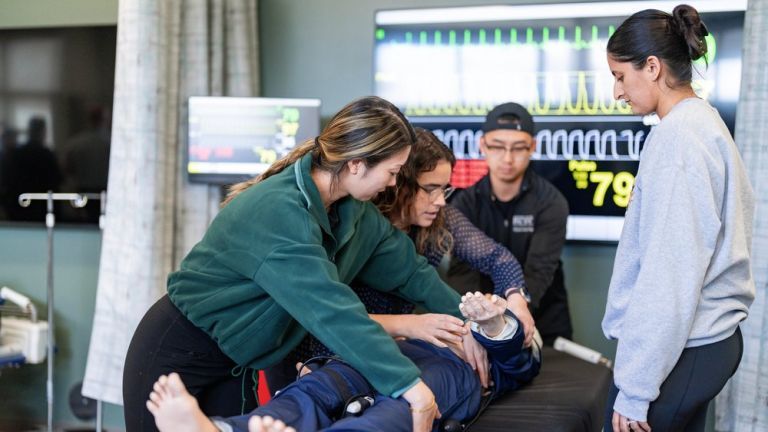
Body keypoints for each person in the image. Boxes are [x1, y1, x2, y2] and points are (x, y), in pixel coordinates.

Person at [123, 96, 487, 432]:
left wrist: (471, 322)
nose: (394, 184)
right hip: (177, 350)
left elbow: (411, 273)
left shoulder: (354, 213)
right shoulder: (278, 212)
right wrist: (409, 384)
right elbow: (331, 310)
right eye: (392, 172)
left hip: (235, 362)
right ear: (357, 164)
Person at [263, 127, 537, 393]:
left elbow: (498, 259)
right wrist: (407, 327)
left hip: (381, 346)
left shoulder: (440, 219)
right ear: (398, 182)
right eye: (430, 189)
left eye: (445, 189)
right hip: (319, 349)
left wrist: (516, 300)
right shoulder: (356, 225)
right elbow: (323, 312)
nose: (440, 201)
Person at [601, 5, 754, 432]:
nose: (617, 91)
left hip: (685, 347)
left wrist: (634, 390)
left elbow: (670, 274)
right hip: (706, 343)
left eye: (619, 76)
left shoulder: (679, 141)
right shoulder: (703, 123)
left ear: (652, 67)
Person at [146, 292, 541, 432]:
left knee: (394, 413)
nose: (482, 308)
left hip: (448, 376)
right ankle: (224, 430)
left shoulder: (493, 349)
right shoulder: (438, 318)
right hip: (387, 355)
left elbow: (521, 364)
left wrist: (495, 325)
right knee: (318, 388)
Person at [446, 102, 572, 345]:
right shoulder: (464, 204)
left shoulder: (552, 202)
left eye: (518, 148)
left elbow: (539, 270)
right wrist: (482, 316)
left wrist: (511, 311)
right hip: (481, 321)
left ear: (532, 147)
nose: (507, 158)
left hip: (542, 319)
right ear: (482, 145)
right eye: (497, 146)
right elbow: (461, 273)